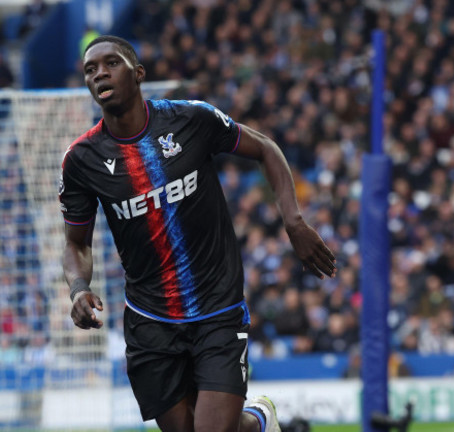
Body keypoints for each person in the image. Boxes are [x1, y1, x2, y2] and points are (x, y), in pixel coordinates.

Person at [59, 35, 337, 432]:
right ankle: (258, 422)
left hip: (217, 310)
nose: (100, 73)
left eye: (111, 63)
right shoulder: (81, 160)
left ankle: (255, 418)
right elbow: (75, 244)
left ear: (138, 74)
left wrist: (293, 222)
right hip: (150, 320)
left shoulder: (190, 119)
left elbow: (266, 148)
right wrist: (77, 287)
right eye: (90, 69)